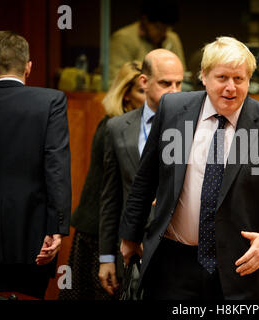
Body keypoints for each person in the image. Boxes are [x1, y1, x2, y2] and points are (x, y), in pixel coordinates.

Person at [119, 36, 259, 300]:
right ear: (204, 76)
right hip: (172, 265)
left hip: (239, 268)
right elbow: (145, 179)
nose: (231, 88)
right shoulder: (173, 109)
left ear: (249, 80)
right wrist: (129, 238)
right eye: (222, 78)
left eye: (239, 79)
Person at [0, 31, 71, 299]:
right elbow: (56, 168)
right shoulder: (50, 101)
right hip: (33, 236)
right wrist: (57, 228)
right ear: (28, 66)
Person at [99, 49, 183, 297]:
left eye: (179, 83)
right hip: (132, 246)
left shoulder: (191, 126)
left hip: (176, 246)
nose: (175, 91)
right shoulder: (117, 128)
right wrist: (106, 257)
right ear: (145, 82)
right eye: (166, 83)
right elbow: (110, 197)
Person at [58, 61, 145, 300]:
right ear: (126, 94)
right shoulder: (113, 126)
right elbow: (109, 190)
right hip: (99, 233)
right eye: (141, 91)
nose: (150, 97)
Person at [109, 0, 186, 82]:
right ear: (144, 20)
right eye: (158, 27)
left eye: (166, 28)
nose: (164, 33)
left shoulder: (171, 38)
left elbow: (182, 75)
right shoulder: (123, 38)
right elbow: (115, 79)